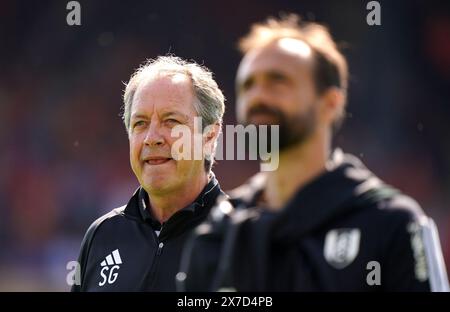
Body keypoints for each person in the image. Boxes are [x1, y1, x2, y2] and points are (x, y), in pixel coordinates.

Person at [179, 15, 449, 291]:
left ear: (330, 103)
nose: (258, 96)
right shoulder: (219, 234)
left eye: (277, 81)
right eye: (248, 85)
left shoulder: (390, 223)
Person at [71, 55, 225, 291]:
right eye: (140, 123)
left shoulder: (239, 239)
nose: (152, 138)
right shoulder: (102, 235)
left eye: (171, 121)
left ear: (210, 136)